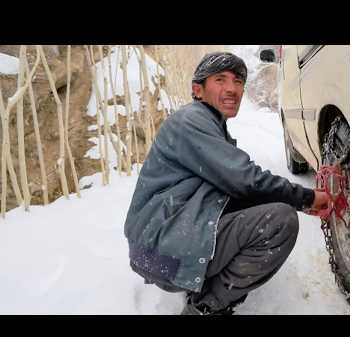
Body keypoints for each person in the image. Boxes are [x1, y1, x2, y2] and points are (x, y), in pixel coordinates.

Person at [124, 51, 330, 315]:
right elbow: (245, 179)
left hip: (159, 245)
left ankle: (203, 280)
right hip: (161, 250)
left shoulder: (207, 123)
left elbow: (237, 188)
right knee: (280, 222)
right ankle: (206, 307)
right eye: (220, 80)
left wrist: (282, 195)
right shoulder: (192, 120)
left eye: (238, 81)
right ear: (198, 90)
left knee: (258, 201)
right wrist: (307, 198)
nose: (232, 89)